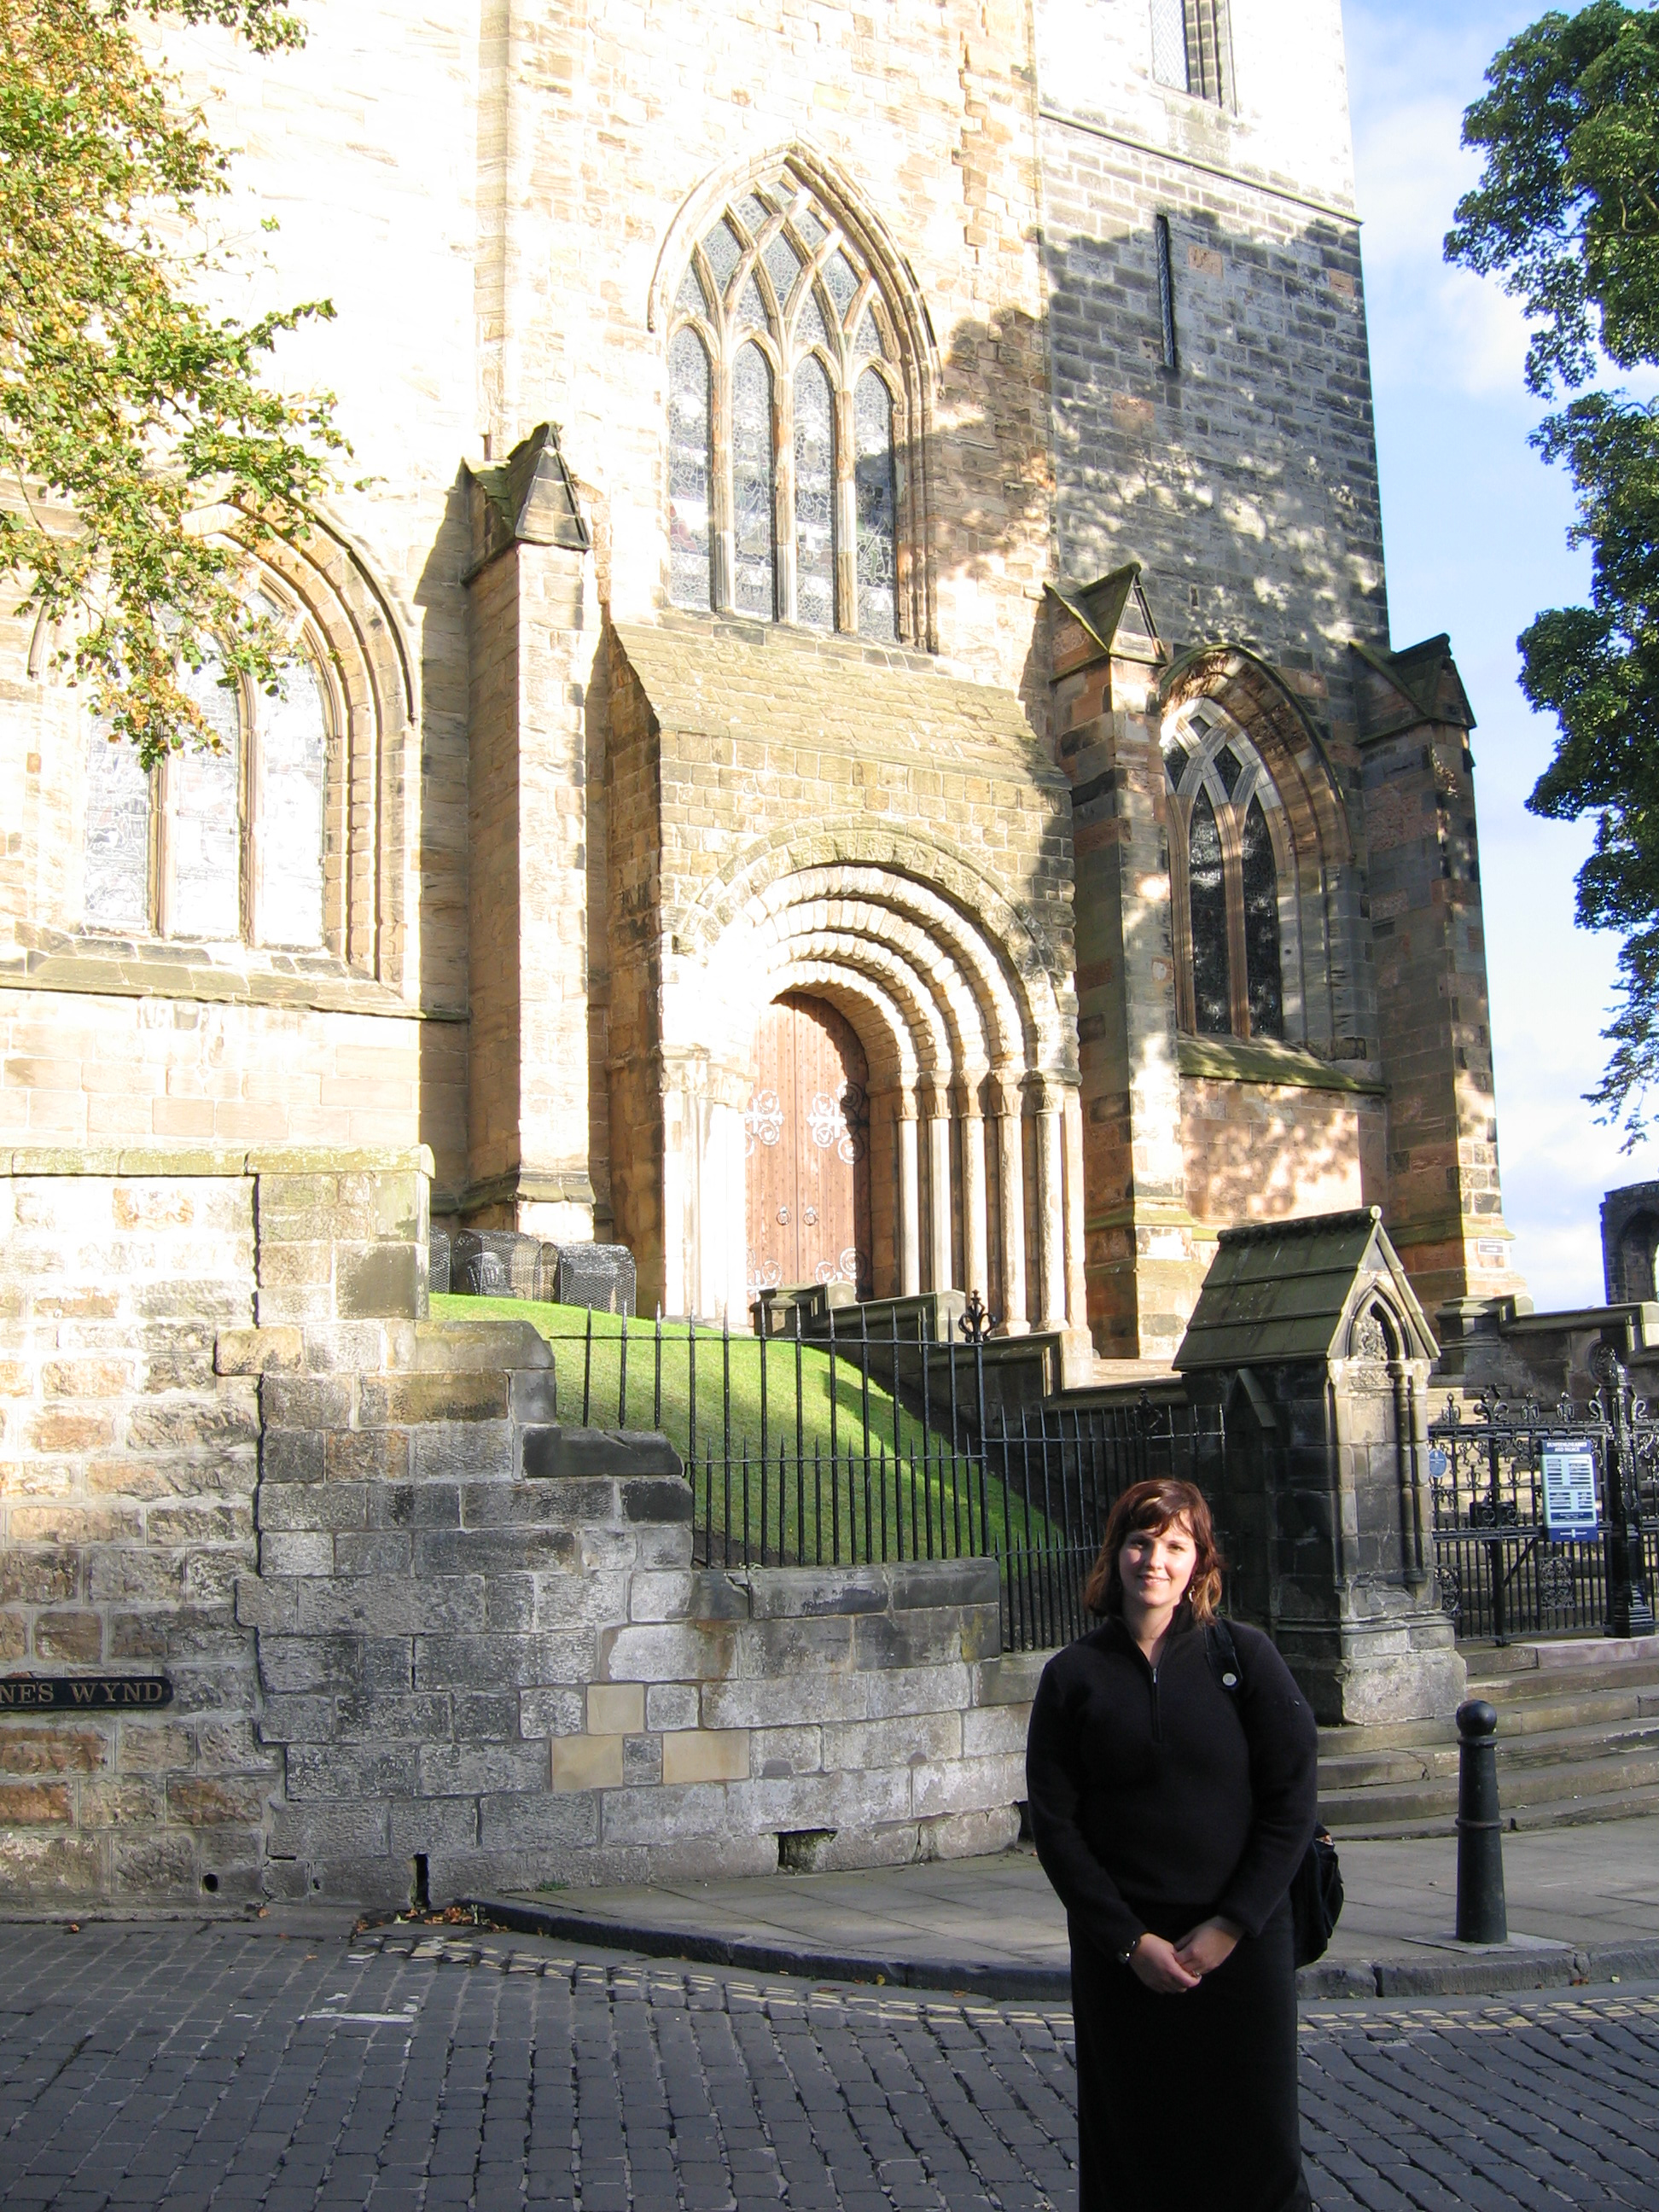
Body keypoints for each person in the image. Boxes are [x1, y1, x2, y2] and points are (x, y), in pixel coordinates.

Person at [1025, 1476, 1318, 2212]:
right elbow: (1057, 1827)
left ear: (1200, 1564)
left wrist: (1229, 1926)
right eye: (1141, 1542)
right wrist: (1129, 1942)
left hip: (1241, 1949)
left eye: (1175, 1546)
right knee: (1134, 2148)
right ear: (1115, 1554)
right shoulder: (1073, 1679)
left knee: (1255, 2151)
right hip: (1125, 1957)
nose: (1155, 1560)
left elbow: (1292, 1799)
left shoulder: (1244, 1659)